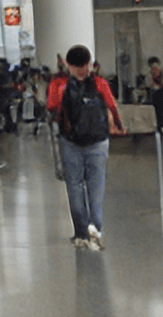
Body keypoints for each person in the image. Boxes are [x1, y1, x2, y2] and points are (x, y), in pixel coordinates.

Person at [46, 45, 124, 249]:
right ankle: (95, 230)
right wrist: (119, 124)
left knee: (74, 187)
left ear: (68, 65)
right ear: (89, 63)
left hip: (70, 142)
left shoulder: (60, 84)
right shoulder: (99, 83)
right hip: (98, 142)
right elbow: (112, 105)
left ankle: (80, 234)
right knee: (96, 187)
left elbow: (51, 107)